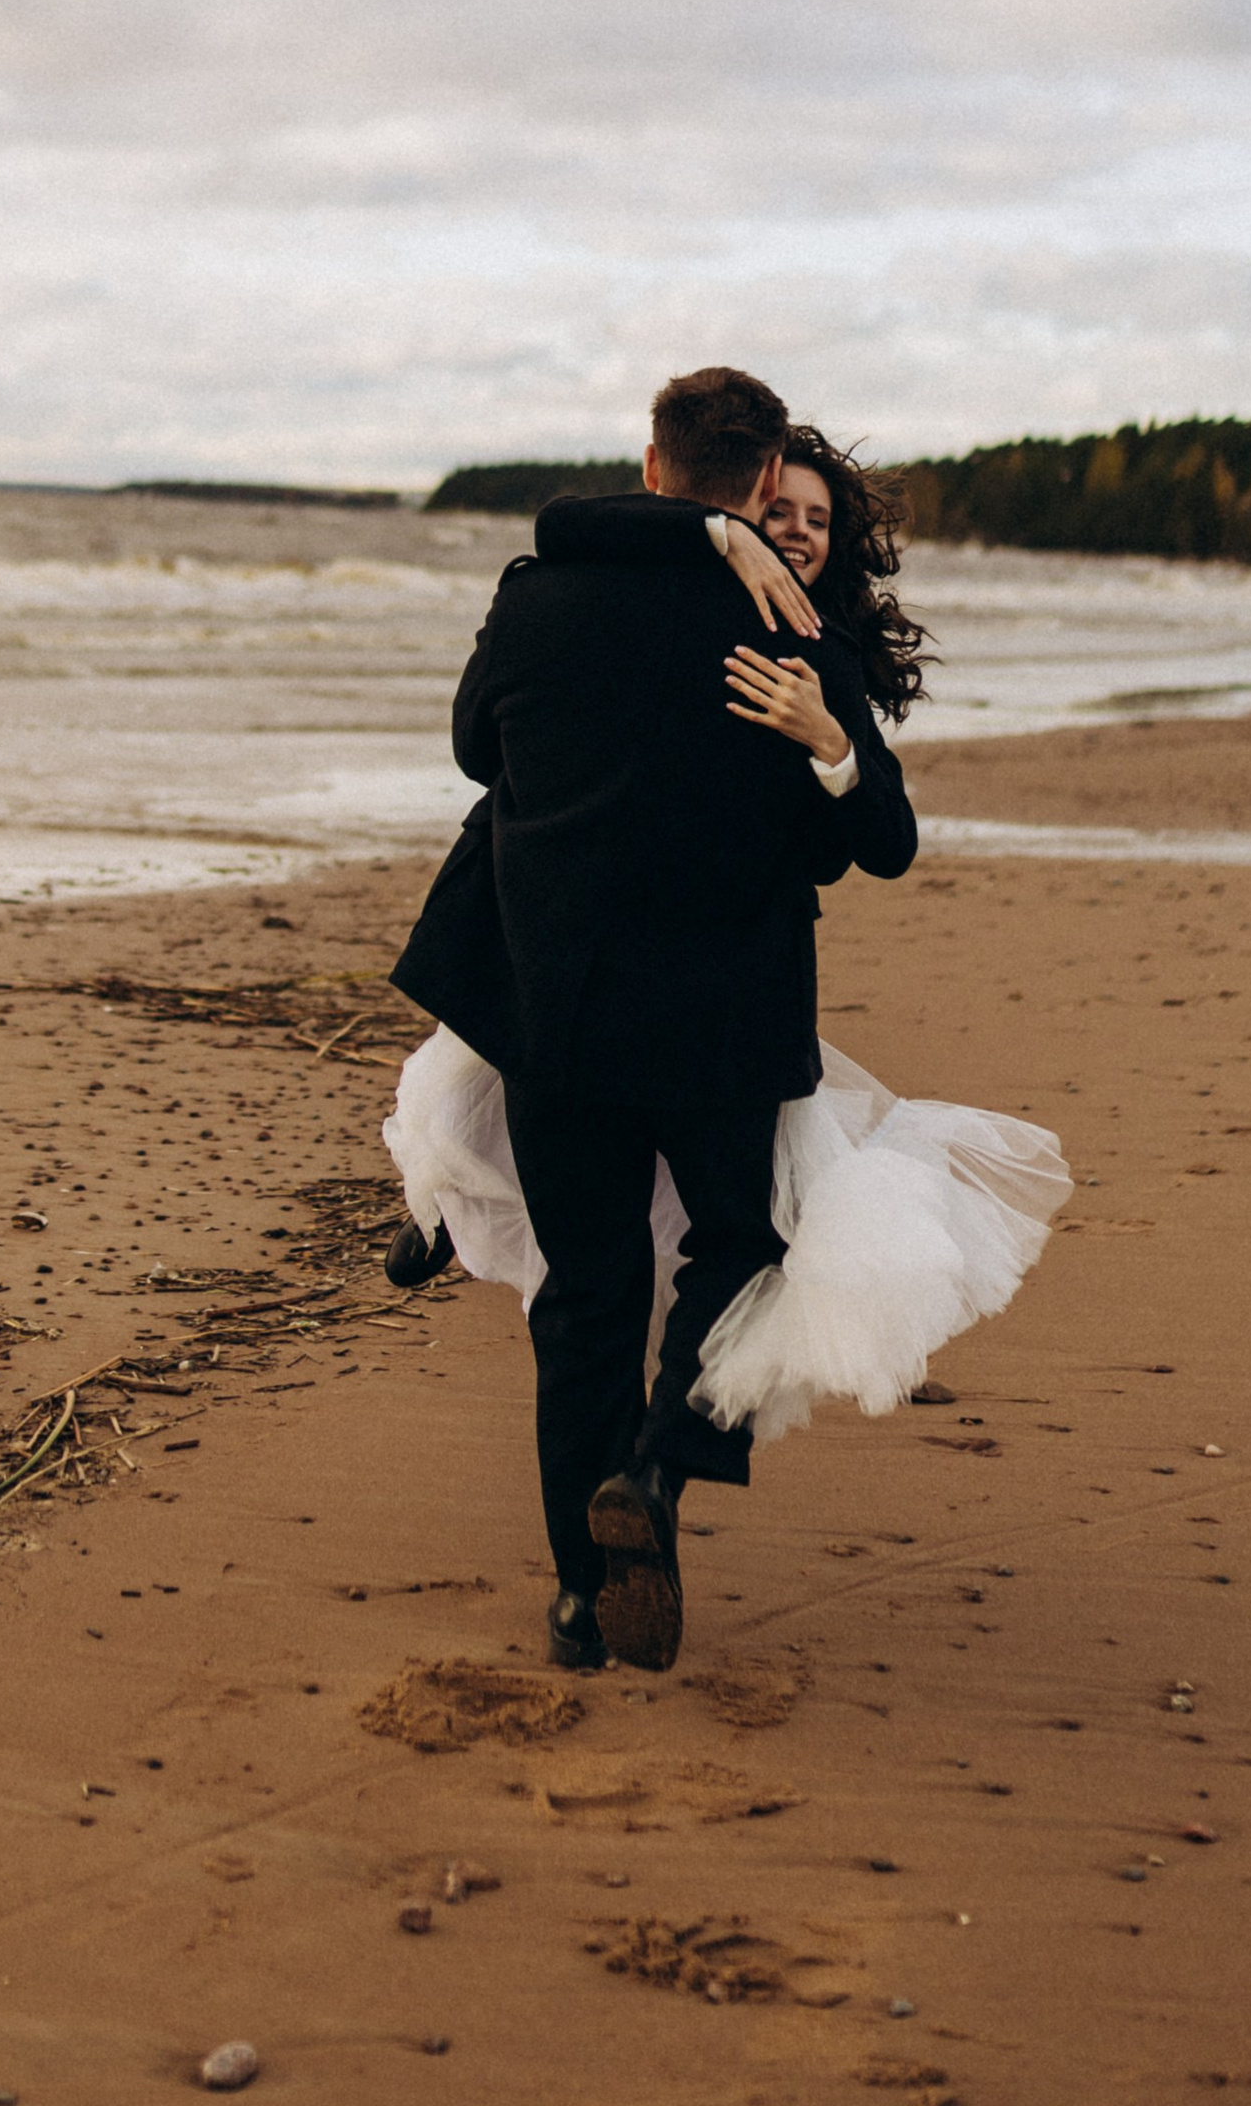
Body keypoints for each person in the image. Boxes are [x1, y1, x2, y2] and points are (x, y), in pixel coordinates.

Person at [386, 385, 1068, 1675]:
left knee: (585, 1300)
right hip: (720, 1028)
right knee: (743, 1253)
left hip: (562, 1016)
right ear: (762, 490)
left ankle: (585, 1599)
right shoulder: (790, 638)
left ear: (651, 464)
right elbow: (869, 850)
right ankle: (655, 1473)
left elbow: (480, 749)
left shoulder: (539, 597)